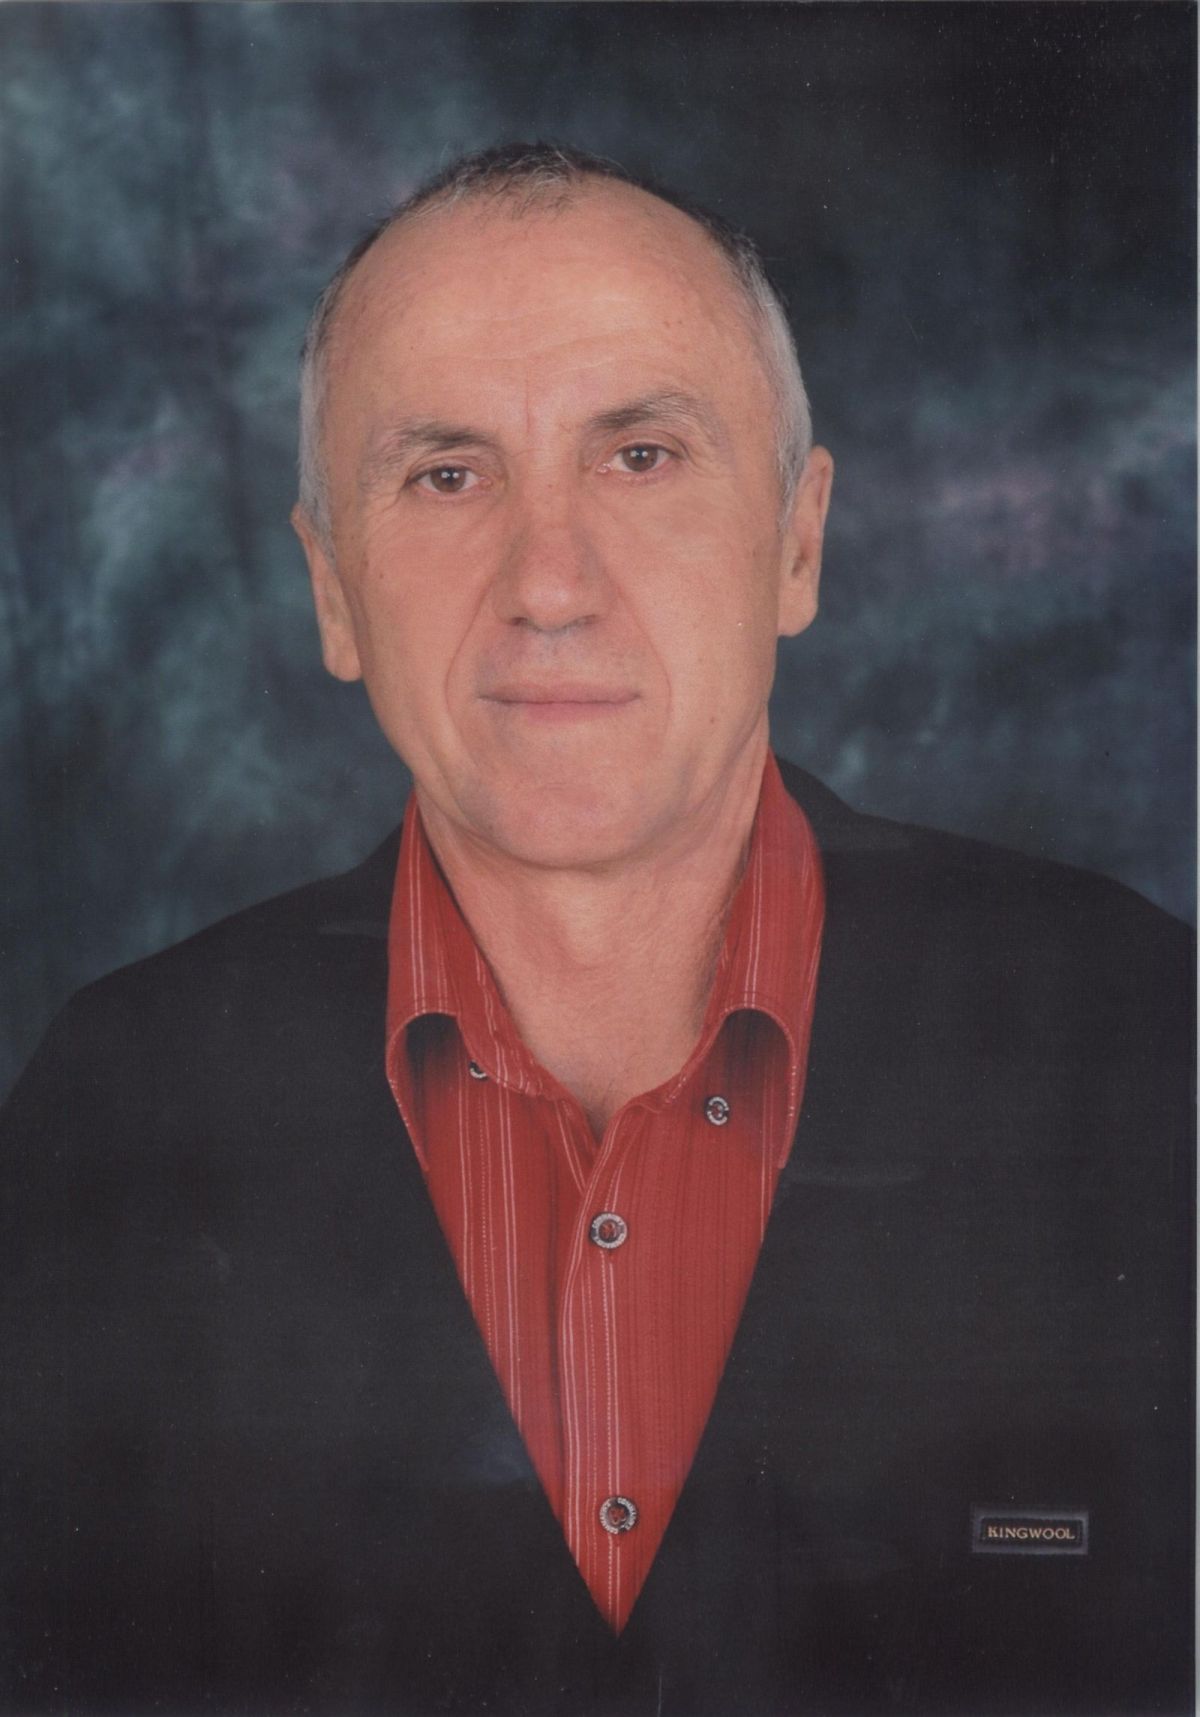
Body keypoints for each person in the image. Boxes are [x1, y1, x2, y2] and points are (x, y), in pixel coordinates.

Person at [0, 143, 1192, 1716]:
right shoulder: (110, 1108)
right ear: (333, 591)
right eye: (447, 475)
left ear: (797, 543)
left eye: (641, 456)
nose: (549, 584)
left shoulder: (1143, 1038)